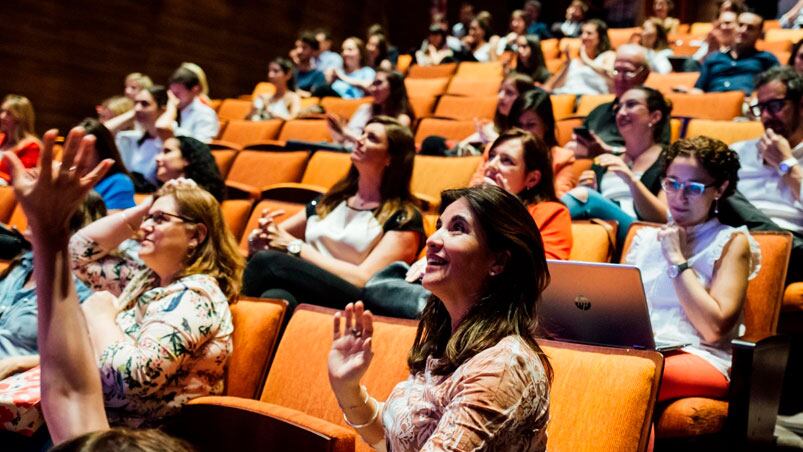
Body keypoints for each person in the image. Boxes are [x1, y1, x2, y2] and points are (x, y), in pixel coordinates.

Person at [4, 127, 243, 444]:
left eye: (159, 220)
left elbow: (132, 379)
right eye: (147, 218)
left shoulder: (194, 297)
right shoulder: (144, 278)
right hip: (88, 424)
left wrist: (101, 316)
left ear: (196, 236)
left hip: (129, 442)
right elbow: (79, 252)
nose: (144, 227)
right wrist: (149, 206)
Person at [327, 185, 552, 450]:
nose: (432, 239)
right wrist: (347, 387)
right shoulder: (449, 342)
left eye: (457, 228)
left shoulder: (502, 367)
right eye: (439, 225)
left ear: (498, 261)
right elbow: (400, 441)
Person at [625, 136, 760, 401]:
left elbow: (714, 330)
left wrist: (677, 259)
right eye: (672, 184)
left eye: (693, 188)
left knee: (633, 374)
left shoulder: (731, 242)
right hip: (643, 349)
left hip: (700, 355)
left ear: (719, 188)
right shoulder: (645, 238)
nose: (679, 196)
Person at [243, 116, 424, 311]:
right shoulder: (329, 201)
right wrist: (259, 239)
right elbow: (275, 236)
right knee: (276, 299)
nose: (359, 139)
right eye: (362, 133)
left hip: (353, 297)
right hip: (307, 286)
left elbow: (365, 279)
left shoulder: (403, 217)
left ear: (391, 158)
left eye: (371, 138)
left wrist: (295, 247)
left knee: (267, 262)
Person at [0, 192, 102, 377]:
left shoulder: (83, 289)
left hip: (16, 384)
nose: (30, 213)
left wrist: (21, 363)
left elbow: (89, 356)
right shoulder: (23, 263)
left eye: (42, 209)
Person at [563, 86, 672, 244]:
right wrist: (592, 189)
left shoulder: (668, 161)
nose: (621, 113)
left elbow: (663, 217)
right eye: (619, 107)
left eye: (631, 105)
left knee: (584, 196)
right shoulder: (605, 160)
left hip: (643, 233)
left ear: (655, 116)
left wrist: (631, 180)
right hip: (604, 231)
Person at [732, 67, 803, 281]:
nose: (765, 116)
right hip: (735, 238)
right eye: (759, 108)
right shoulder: (738, 151)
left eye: (774, 106)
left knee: (724, 195)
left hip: (791, 245)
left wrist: (786, 164)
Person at [479, 130, 573, 259]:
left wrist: (505, 210)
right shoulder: (471, 204)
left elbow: (547, 270)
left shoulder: (552, 213)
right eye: (491, 156)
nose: (491, 165)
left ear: (532, 179)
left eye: (506, 160)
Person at [570, 44, 672, 153]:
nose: (620, 78)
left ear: (644, 74)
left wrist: (608, 150)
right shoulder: (598, 111)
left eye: (628, 71)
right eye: (616, 70)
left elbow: (659, 154)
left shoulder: (652, 114)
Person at [422, 73, 534, 156]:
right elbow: (463, 146)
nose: (500, 96)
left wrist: (490, 138)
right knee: (431, 142)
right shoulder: (495, 125)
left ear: (523, 98)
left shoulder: (525, 128)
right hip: (463, 155)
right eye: (500, 91)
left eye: (509, 93)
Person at [690, 12, 779, 94]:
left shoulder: (766, 58)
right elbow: (698, 89)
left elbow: (776, 89)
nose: (743, 30)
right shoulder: (714, 58)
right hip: (713, 105)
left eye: (750, 28)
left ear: (759, 34)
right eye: (740, 25)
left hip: (747, 106)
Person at [328, 70, 413, 145]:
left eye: (378, 83)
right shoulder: (366, 109)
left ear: (394, 87)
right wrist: (337, 131)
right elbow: (344, 139)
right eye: (373, 84)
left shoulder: (402, 119)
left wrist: (345, 132)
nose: (373, 89)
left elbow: (384, 149)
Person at [113, 85, 168, 189]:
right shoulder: (130, 138)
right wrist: (132, 115)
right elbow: (99, 133)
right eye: (135, 103)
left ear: (162, 109)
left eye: (144, 104)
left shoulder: (178, 137)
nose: (137, 108)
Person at [544, 19, 616, 96]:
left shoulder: (608, 55)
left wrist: (585, 59)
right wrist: (567, 66)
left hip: (588, 99)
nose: (584, 37)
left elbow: (610, 76)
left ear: (600, 37)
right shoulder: (574, 61)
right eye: (582, 33)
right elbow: (552, 87)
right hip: (565, 97)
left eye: (589, 33)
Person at [78, 118, 136, 211]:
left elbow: (116, 222)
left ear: (102, 151)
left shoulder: (119, 182)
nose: (77, 157)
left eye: (85, 150)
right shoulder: (72, 181)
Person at [152, 135, 225, 201]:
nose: (157, 158)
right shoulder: (161, 194)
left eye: (167, 151)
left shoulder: (200, 200)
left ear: (187, 159)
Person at [162, 66, 220, 143]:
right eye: (171, 93)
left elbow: (200, 147)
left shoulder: (205, 114)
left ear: (194, 90)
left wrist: (169, 127)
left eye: (177, 93)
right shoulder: (168, 109)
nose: (173, 98)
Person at [0, 94, 40, 185]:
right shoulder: (1, 138)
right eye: (2, 111)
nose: (2, 116)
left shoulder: (32, 146)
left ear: (21, 118)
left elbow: (23, 179)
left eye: (8, 113)